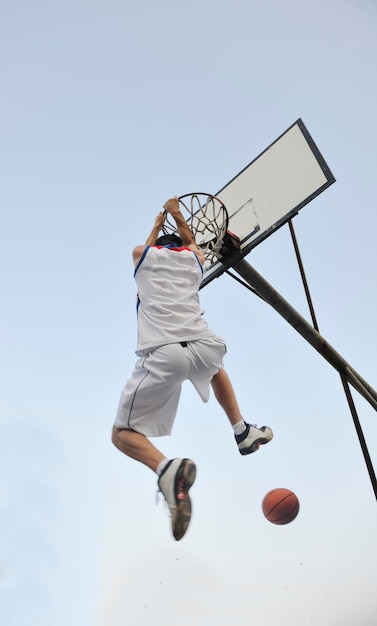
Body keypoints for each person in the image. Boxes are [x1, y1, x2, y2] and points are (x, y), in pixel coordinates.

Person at [112, 196, 273, 541]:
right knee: (214, 367)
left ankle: (166, 470)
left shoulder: (142, 256)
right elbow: (191, 242)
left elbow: (147, 245)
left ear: (155, 247)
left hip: (164, 353)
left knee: (122, 435)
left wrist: (159, 221)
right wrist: (177, 214)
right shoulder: (195, 261)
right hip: (203, 344)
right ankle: (242, 430)